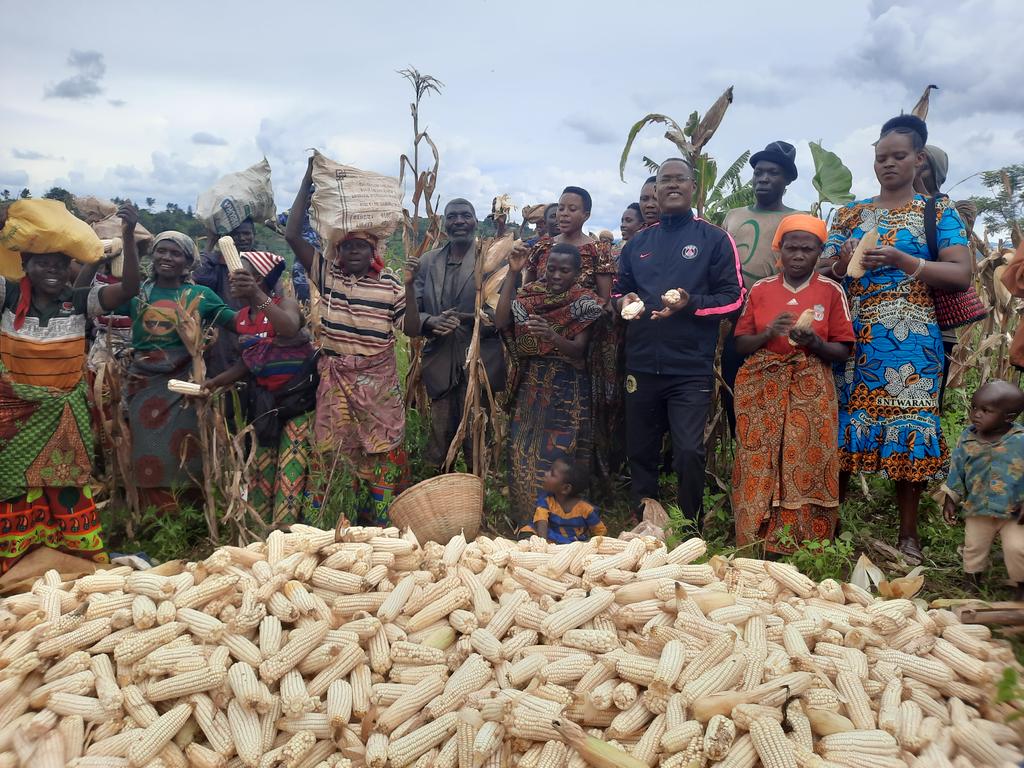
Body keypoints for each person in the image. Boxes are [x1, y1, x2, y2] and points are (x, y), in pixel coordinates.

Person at [823, 115, 972, 564]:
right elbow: (822, 266)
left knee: (911, 425)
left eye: (898, 156)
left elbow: (961, 273)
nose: (888, 164)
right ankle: (831, 522)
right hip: (856, 336)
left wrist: (907, 260)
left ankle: (908, 534)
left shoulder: (937, 211)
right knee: (846, 426)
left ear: (918, 159)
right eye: (880, 157)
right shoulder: (849, 213)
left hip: (912, 341)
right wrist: (842, 260)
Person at [0, 201, 140, 572]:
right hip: (14, 414)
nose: (53, 270)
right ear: (25, 264)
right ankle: (15, 561)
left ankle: (73, 559)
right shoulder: (8, 296)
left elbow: (128, 288)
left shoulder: (78, 301)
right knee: (12, 485)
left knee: (67, 486)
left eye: (61, 264)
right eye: (44, 262)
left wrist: (127, 235)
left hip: (62, 414)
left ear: (70, 269)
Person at [286, 157, 421, 525]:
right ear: (337, 252)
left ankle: (379, 524)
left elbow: (410, 329)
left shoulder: (390, 284)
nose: (354, 252)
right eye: (347, 247)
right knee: (333, 449)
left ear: (374, 250)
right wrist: (306, 181)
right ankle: (331, 519)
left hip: (378, 384)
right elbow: (293, 236)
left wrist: (409, 287)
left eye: (362, 246)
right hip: (336, 378)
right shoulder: (328, 277)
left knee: (383, 447)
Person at [617, 158, 744, 529]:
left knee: (688, 449)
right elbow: (622, 290)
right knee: (640, 448)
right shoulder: (639, 243)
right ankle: (645, 518)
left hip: (689, 367)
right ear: (654, 191)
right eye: (664, 181)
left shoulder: (714, 239)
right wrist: (623, 303)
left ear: (693, 188)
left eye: (679, 180)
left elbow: (734, 297)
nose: (672, 186)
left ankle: (689, 522)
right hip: (641, 363)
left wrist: (692, 304)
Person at [731, 215, 854, 554]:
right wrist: (768, 333)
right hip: (763, 385)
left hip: (810, 383)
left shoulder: (831, 292)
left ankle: (804, 540)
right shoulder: (761, 290)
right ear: (780, 250)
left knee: (806, 458)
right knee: (760, 457)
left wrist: (813, 341)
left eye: (807, 248)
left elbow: (843, 351)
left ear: (819, 252)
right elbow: (739, 344)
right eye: (791, 247)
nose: (798, 255)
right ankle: (758, 535)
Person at [121, 230, 237, 513]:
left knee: (185, 450)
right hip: (143, 385)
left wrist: (262, 302)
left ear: (188, 262)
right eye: (162, 251)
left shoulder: (200, 295)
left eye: (175, 253)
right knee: (145, 448)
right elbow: (98, 303)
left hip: (183, 387)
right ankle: (150, 517)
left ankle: (189, 516)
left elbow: (238, 324)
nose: (167, 257)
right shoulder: (137, 293)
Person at [204, 251, 316, 524]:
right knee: (261, 470)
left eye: (240, 275)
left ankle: (285, 531)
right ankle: (260, 535)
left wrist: (256, 294)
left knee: (291, 471)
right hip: (266, 405)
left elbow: (289, 328)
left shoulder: (284, 304)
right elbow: (250, 360)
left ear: (258, 278)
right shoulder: (243, 317)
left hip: (296, 404)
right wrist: (214, 383)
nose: (232, 281)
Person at [496, 242, 602, 528]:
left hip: (567, 389)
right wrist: (512, 273)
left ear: (577, 273)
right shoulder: (530, 296)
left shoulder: (585, 302)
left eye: (564, 270)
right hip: (531, 383)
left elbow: (579, 350)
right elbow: (500, 320)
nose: (556, 275)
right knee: (522, 453)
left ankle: (562, 524)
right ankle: (527, 522)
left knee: (561, 456)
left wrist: (551, 336)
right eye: (551, 268)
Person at [521, 186, 619, 480]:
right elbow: (527, 294)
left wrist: (574, 315)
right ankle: (535, 480)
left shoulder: (598, 251)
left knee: (577, 416)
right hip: (538, 344)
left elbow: (604, 301)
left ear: (586, 214)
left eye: (572, 209)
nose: (564, 214)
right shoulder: (541, 247)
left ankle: (576, 483)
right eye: (561, 207)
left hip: (582, 345)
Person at [413, 199, 506, 469]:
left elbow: (503, 315)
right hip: (440, 359)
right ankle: (438, 486)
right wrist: (430, 321)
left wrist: (469, 319)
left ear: (476, 221)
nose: (459, 221)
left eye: (465, 215)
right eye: (452, 216)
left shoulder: (490, 259)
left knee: (477, 432)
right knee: (440, 432)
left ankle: (477, 489)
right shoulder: (428, 262)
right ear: (444, 224)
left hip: (479, 361)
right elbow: (411, 311)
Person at [721, 141, 802, 432]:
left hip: (777, 320)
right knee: (731, 389)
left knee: (775, 395)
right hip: (733, 319)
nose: (763, 178)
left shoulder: (798, 219)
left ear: (788, 179)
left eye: (773, 172)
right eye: (758, 172)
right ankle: (742, 458)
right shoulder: (733, 216)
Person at [941, 380, 1024, 598]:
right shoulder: (967, 439)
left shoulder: (1021, 440)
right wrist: (950, 499)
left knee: (1018, 549)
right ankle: (972, 582)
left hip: (1014, 511)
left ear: (1009, 417)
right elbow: (957, 470)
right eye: (974, 407)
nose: (976, 414)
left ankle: (1021, 586)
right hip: (978, 507)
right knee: (974, 547)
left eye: (986, 410)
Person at [194, 218, 256, 377]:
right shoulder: (216, 264)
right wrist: (210, 242)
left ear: (254, 235)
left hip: (257, 332)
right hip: (223, 336)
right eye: (236, 234)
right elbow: (199, 278)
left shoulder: (263, 263)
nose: (242, 238)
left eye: (246, 233)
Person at [522, 456, 607, 543]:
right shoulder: (546, 500)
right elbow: (541, 521)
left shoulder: (586, 510)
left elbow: (601, 533)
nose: (545, 474)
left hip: (573, 544)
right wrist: (542, 544)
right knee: (527, 529)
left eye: (552, 474)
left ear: (565, 488)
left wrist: (591, 544)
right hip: (549, 539)